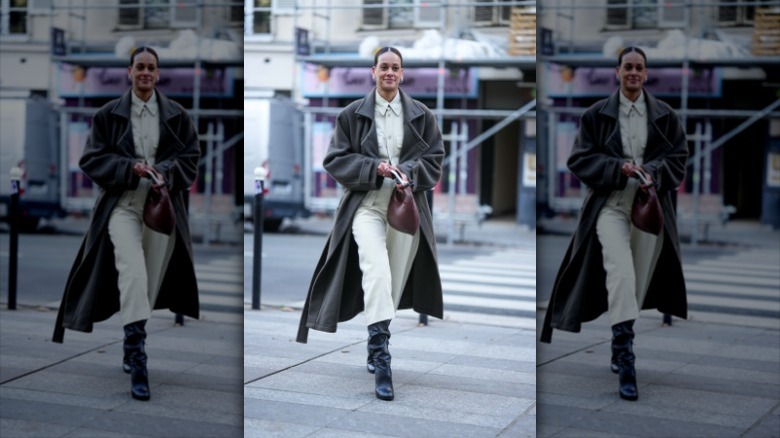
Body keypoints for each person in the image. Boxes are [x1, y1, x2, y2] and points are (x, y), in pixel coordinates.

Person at [52, 46, 201, 402]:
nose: (145, 73)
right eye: (140, 67)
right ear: (129, 72)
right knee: (132, 273)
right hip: (122, 204)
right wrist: (128, 168)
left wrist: (163, 171)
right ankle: (138, 360)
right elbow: (91, 159)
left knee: (146, 283)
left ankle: (129, 339)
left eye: (151, 67)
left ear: (158, 73)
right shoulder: (107, 114)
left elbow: (191, 160)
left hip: (161, 206)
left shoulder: (178, 115)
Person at [296, 47, 445, 401]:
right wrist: (372, 168)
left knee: (390, 283)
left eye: (395, 68)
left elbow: (435, 159)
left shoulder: (422, 114)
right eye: (384, 67)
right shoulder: (351, 114)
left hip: (406, 207)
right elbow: (334, 159)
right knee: (376, 272)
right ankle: (382, 359)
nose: (389, 73)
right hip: (366, 205)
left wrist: (409, 172)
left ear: (402, 73)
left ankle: (374, 336)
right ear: (373, 71)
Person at [540, 46, 688, 401]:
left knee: (635, 283)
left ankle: (619, 338)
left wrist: (653, 171)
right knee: (620, 273)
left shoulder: (666, 115)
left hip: (650, 206)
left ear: (646, 74)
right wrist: (615, 168)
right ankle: (626, 358)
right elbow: (579, 159)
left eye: (639, 67)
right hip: (610, 204)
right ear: (617, 72)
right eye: (628, 67)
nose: (633, 72)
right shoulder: (595, 115)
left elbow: (679, 159)